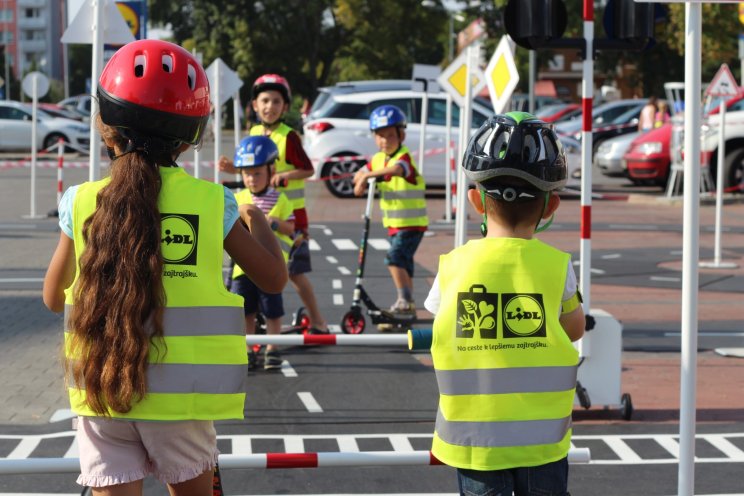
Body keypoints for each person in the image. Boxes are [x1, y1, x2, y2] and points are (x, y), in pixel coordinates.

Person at [42, 40, 287, 496]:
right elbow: (273, 279)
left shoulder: (79, 201)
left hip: (103, 392)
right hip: (183, 403)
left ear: (106, 125)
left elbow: (54, 297)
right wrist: (256, 220)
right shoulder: (216, 203)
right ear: (189, 135)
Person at [424, 112, 586, 496]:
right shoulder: (557, 266)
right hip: (542, 442)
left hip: (475, 438)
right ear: (551, 206)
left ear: (475, 201)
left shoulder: (452, 267)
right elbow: (575, 327)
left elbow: (439, 318)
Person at [218, 74, 328, 334]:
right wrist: (233, 168)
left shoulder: (288, 136)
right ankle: (257, 327)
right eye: (264, 100)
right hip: (258, 212)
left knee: (294, 272)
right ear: (254, 105)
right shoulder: (254, 132)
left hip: (289, 214)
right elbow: (251, 170)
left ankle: (318, 321)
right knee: (254, 266)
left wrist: (284, 176)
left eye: (276, 101)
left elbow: (307, 169)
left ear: (285, 107)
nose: (270, 106)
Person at [352, 105, 428, 322]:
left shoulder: (403, 157)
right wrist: (360, 180)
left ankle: (404, 302)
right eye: (381, 136)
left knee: (394, 259)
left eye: (391, 136)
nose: (386, 140)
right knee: (404, 264)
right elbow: (363, 171)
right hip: (394, 224)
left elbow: (397, 170)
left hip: (412, 224)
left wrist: (368, 177)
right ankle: (408, 306)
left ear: (401, 135)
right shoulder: (377, 159)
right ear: (375, 138)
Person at [230, 135, 295, 370]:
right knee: (244, 309)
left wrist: (274, 223)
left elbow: (292, 228)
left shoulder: (281, 198)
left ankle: (272, 348)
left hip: (271, 265)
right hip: (242, 267)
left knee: (272, 310)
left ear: (271, 171)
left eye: (257, 173)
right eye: (247, 173)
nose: (252, 178)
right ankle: (247, 349)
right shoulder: (237, 198)